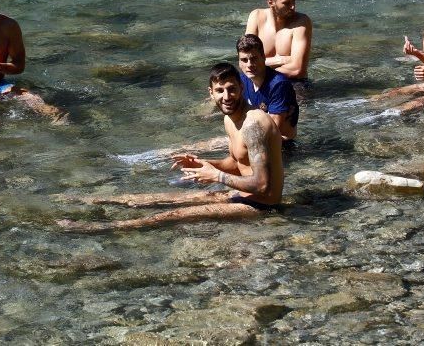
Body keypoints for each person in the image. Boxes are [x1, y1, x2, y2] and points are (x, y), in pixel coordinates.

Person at [56, 63, 284, 232]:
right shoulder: (230, 118)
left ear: (242, 89)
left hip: (261, 205)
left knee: (170, 215)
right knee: (149, 199)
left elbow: (262, 185)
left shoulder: (254, 124)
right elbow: (237, 163)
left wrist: (216, 176)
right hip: (241, 193)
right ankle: (84, 200)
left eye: (232, 89)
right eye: (220, 91)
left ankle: (95, 228)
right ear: (211, 93)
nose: (227, 96)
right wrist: (204, 165)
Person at [245, 0, 312, 81]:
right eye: (287, 3)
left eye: (294, 1)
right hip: (259, 81)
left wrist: (261, 64)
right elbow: (246, 59)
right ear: (271, 2)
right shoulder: (257, 16)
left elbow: (297, 70)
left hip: (293, 83)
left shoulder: (301, 22)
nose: (293, 7)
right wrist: (283, 59)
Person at [237, 34, 299, 141]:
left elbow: (272, 130)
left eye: (254, 58)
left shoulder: (278, 85)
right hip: (254, 138)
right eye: (244, 60)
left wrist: (224, 141)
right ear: (239, 61)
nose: (249, 65)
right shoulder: (243, 80)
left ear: (264, 57)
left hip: (283, 147)